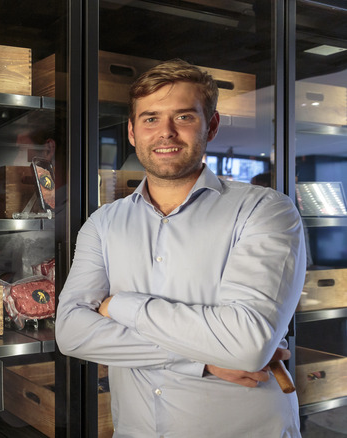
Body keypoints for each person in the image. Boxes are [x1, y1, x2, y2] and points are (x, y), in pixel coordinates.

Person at [55, 59, 307, 437]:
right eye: (151, 118)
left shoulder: (265, 210)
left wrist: (119, 305)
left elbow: (247, 343)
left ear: (212, 125)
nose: (166, 133)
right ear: (132, 131)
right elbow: (71, 332)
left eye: (184, 117)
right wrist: (205, 359)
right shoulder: (103, 222)